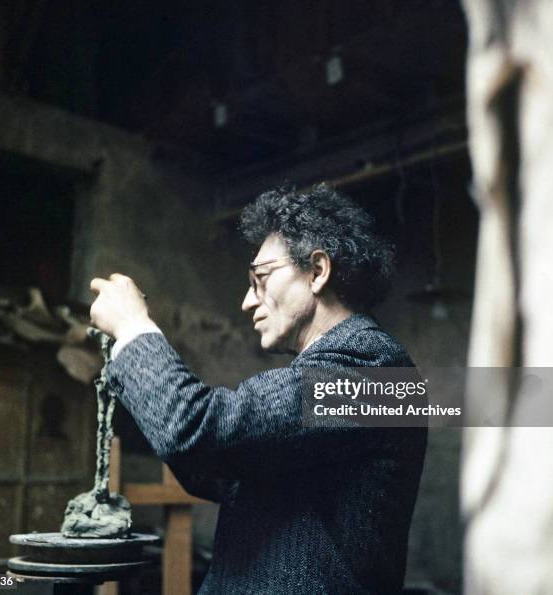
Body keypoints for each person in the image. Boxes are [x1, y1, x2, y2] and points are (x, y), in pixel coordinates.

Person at [90, 184, 427, 594]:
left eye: (260, 278)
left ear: (318, 271)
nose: (248, 302)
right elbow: (217, 468)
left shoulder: (375, 373)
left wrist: (132, 327)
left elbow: (200, 430)